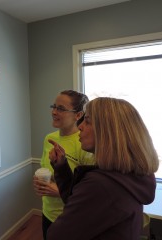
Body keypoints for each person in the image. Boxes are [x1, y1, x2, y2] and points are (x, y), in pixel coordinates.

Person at [47, 97, 159, 240]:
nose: (80, 126)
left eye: (87, 121)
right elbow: (75, 201)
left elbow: (56, 236)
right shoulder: (133, 175)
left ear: (108, 131)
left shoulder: (101, 185)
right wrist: (61, 168)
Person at [33, 90, 94, 240]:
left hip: (71, 218)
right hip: (48, 212)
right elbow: (46, 169)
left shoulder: (85, 144)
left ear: (78, 115)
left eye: (60, 108)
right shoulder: (49, 138)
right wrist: (39, 181)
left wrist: (60, 191)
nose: (54, 112)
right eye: (53, 106)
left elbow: (89, 193)